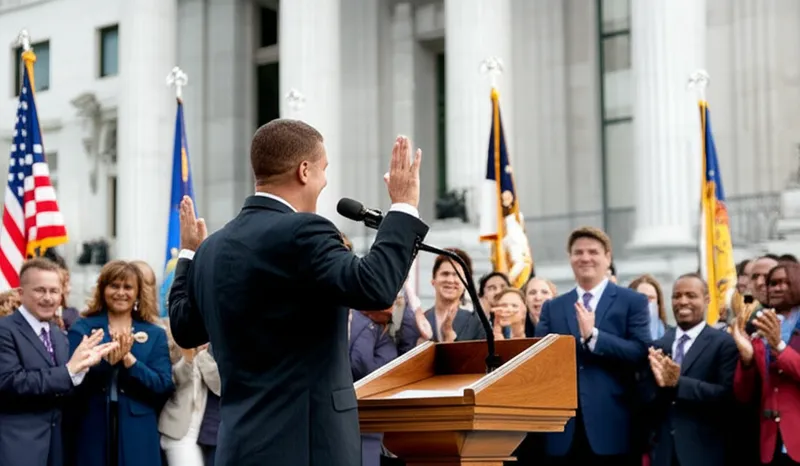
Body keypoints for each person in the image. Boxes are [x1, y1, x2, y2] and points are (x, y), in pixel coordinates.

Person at [168, 120, 429, 466]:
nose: (325, 180)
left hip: (238, 449)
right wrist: (403, 207)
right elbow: (375, 287)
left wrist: (189, 254)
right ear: (304, 171)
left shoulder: (212, 248)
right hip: (307, 450)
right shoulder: (304, 231)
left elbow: (185, 328)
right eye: (324, 169)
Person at [0, 258, 117, 466]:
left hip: (56, 448)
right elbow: (10, 381)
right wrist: (69, 371)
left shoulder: (58, 334)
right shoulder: (4, 331)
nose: (48, 298)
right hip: (17, 447)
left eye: (54, 291)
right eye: (40, 290)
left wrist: (84, 367)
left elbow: (64, 386)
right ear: (20, 293)